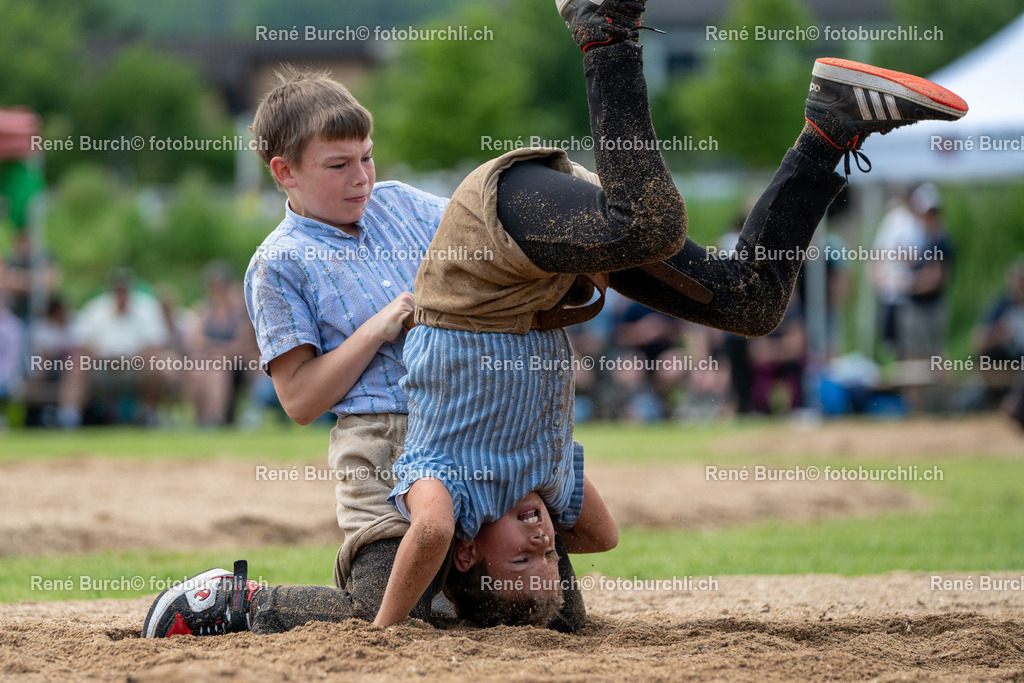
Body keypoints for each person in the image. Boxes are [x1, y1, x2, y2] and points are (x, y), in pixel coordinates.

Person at [144, 0, 967, 636]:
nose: (362, 176)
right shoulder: (278, 263)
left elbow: (487, 222)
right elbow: (298, 399)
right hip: (417, 439)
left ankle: (605, 30)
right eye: (338, 166)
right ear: (283, 172)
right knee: (750, 302)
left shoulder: (402, 204)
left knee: (646, 230)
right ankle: (828, 128)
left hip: (489, 329)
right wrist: (383, 324)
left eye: (366, 156)